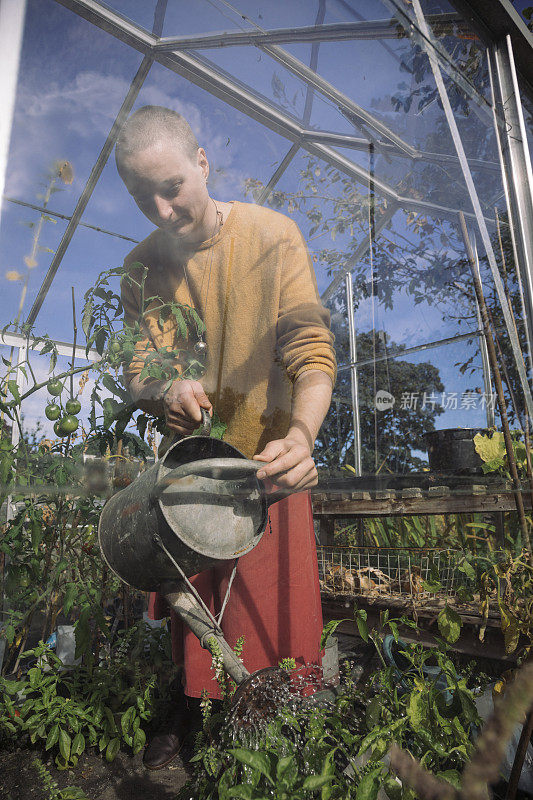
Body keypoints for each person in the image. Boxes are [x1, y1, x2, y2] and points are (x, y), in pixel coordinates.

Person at [114, 105, 336, 769]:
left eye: (172, 186)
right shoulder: (140, 267)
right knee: (192, 603)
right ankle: (188, 709)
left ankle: (277, 737)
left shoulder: (271, 237)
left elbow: (310, 349)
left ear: (203, 164)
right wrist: (168, 389)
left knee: (271, 616)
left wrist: (302, 433)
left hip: (263, 466)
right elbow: (143, 363)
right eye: (139, 195)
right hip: (189, 470)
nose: (159, 209)